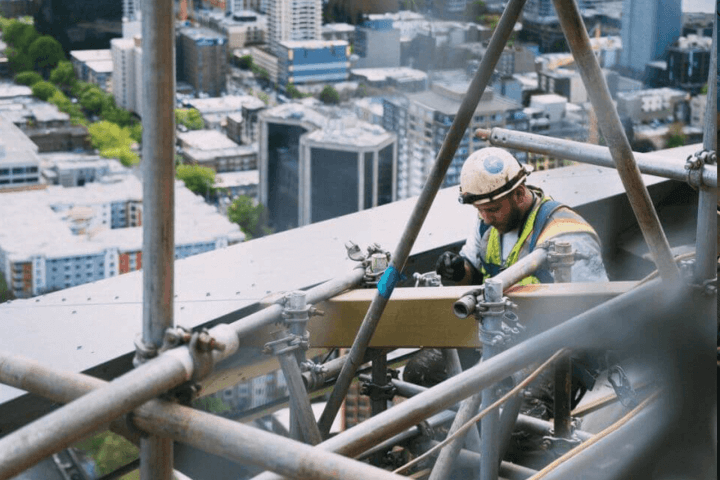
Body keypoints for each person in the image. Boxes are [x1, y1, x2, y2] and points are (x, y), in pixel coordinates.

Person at [435, 147, 608, 286]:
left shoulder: (567, 234)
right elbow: (473, 273)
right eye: (480, 210)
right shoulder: (486, 221)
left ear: (518, 194)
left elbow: (591, 307)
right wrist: (458, 272)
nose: (486, 218)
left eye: (493, 210)